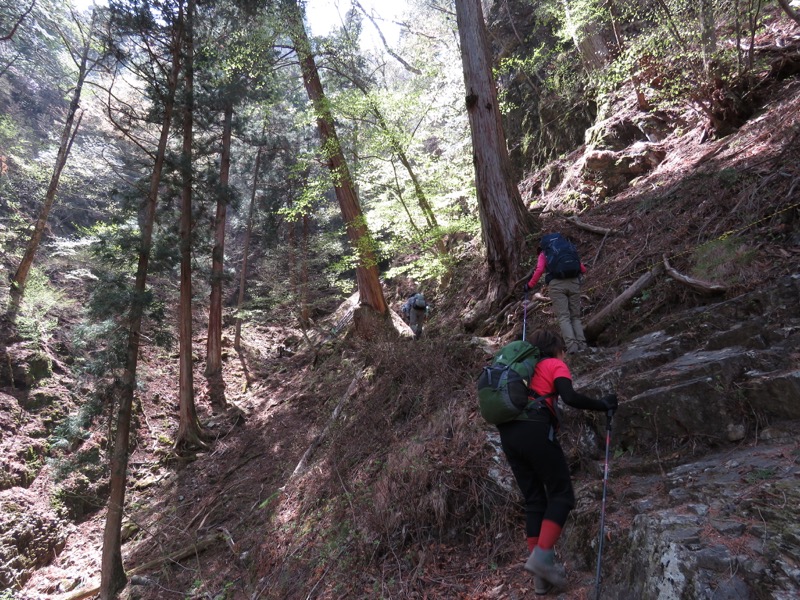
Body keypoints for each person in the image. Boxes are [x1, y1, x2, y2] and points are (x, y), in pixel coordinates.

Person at [495, 329, 617, 594]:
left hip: (508, 434)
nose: (565, 355)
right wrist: (603, 404)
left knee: (534, 500)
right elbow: (570, 397)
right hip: (535, 429)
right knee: (562, 494)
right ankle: (542, 559)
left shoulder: (521, 372)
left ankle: (541, 579)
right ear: (557, 348)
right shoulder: (554, 364)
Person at [526, 233, 588, 354]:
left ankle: (573, 349)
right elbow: (582, 268)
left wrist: (529, 285)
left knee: (564, 317)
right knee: (575, 316)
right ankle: (583, 346)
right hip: (574, 282)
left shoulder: (545, 253)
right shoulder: (567, 248)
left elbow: (539, 270)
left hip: (556, 285)